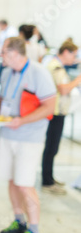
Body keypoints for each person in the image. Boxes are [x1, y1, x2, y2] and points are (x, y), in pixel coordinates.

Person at [0, 37, 56, 233]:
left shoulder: (39, 73)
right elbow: (2, 99)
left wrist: (22, 120)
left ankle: (34, 230)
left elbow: (49, 107)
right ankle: (19, 221)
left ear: (13, 54)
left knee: (25, 184)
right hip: (7, 133)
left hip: (30, 137)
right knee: (12, 181)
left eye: (3, 53)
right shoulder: (7, 73)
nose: (1, 56)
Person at [42, 41, 81, 195]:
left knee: (52, 146)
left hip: (56, 111)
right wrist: (78, 80)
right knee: (52, 146)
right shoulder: (56, 67)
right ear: (65, 52)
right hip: (55, 111)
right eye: (73, 54)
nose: (74, 58)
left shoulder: (54, 64)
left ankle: (49, 177)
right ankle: (47, 181)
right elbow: (63, 89)